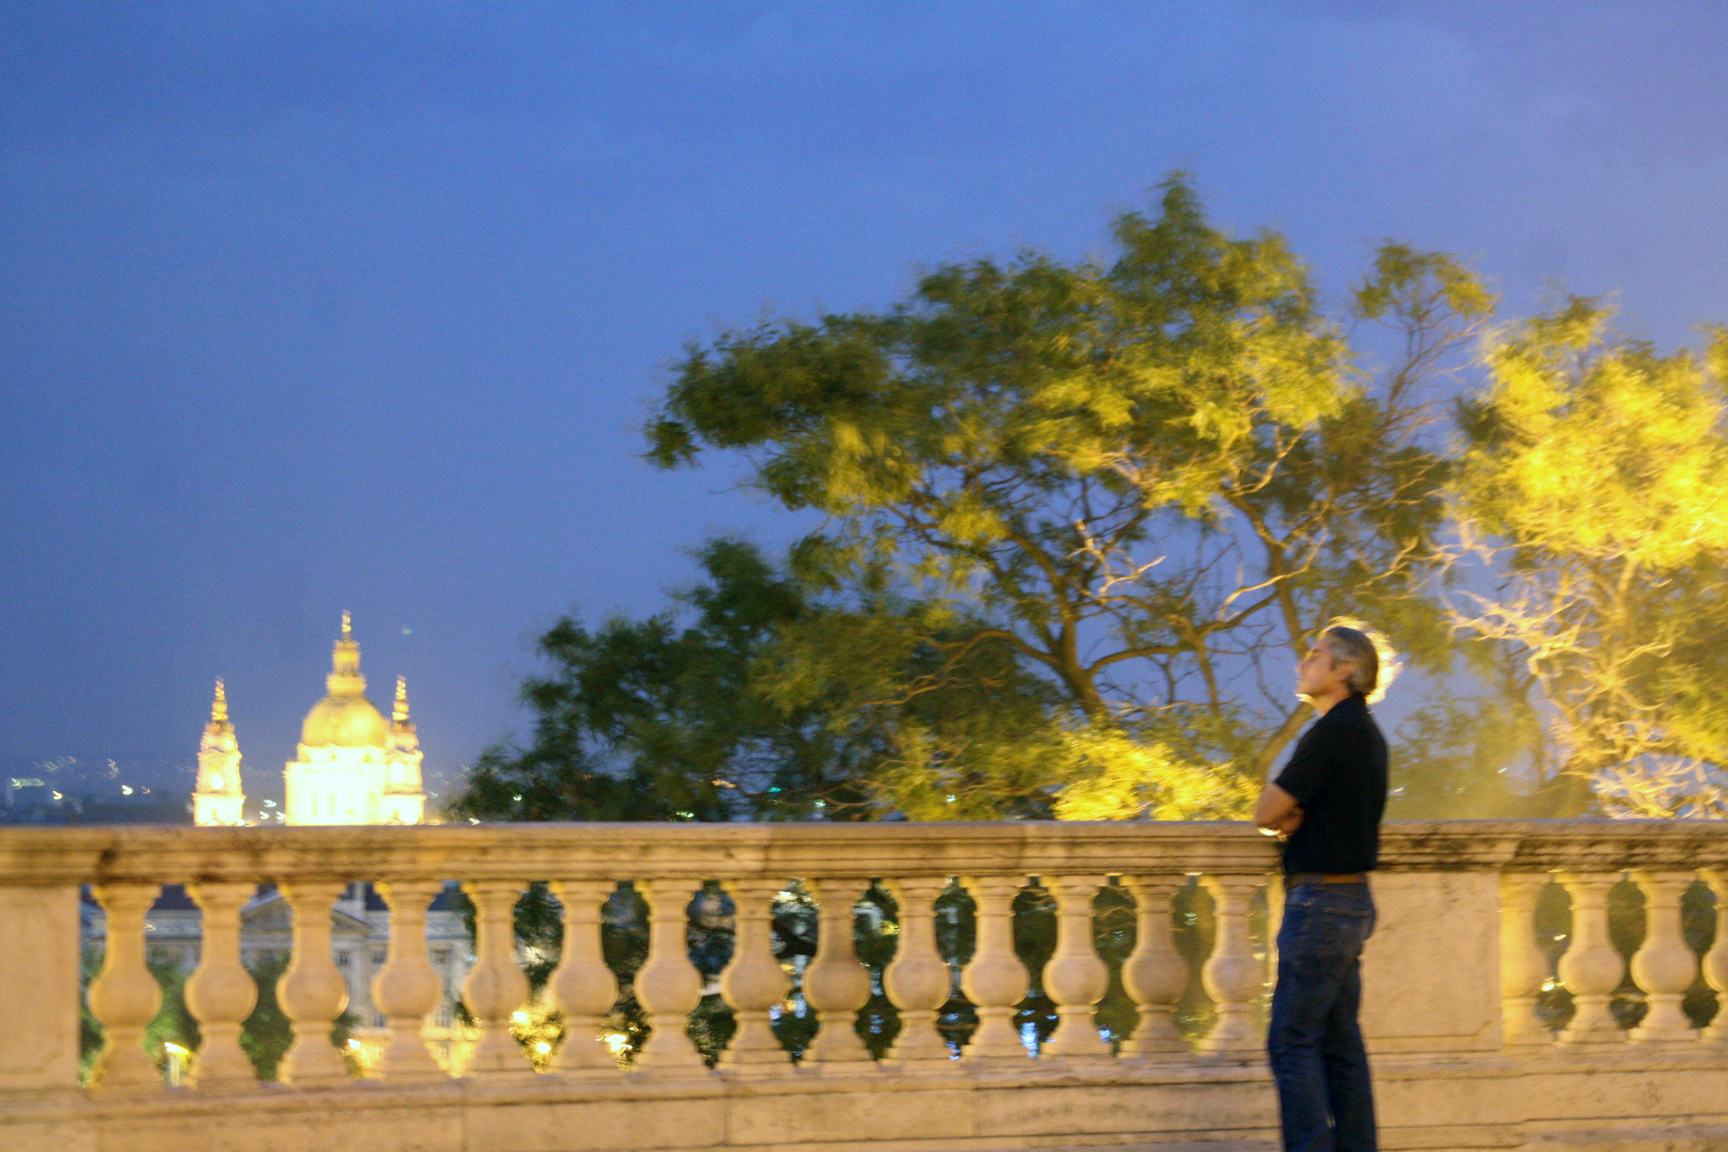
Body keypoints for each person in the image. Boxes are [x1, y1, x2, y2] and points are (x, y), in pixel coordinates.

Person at [1252, 622, 1392, 1152]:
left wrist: (1284, 815)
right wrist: (1293, 816)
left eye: (1315, 656)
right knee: (1340, 1047)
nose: (1302, 664)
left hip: (1321, 906)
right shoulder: (1366, 733)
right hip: (1350, 901)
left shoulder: (1332, 732)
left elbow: (1266, 811)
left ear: (1346, 669)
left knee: (1291, 1043)